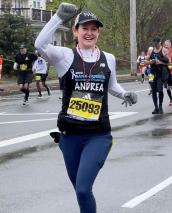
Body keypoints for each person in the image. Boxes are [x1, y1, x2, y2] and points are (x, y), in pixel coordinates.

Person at [35, 3, 137, 213]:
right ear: (75, 31)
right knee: (81, 191)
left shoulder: (108, 58)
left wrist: (125, 93)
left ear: (99, 32)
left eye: (94, 29)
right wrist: (57, 18)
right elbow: (40, 45)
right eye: (85, 28)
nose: (89, 33)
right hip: (70, 137)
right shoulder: (65, 56)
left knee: (83, 188)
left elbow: (112, 85)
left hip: (98, 135)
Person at [145, 37, 169, 114]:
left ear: (160, 42)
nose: (156, 45)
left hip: (161, 73)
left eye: (157, 43)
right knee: (153, 91)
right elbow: (146, 61)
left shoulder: (164, 50)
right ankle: (156, 107)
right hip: (152, 73)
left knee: (160, 90)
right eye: (154, 43)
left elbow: (168, 62)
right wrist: (148, 62)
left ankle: (161, 106)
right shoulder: (151, 50)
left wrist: (160, 62)